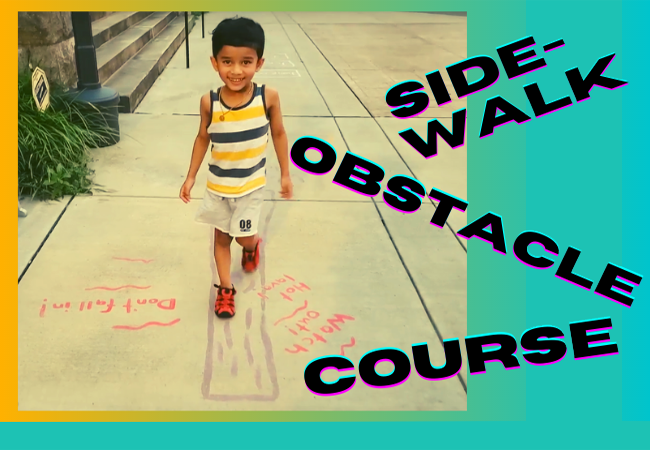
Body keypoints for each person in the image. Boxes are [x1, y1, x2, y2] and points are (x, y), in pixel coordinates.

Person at [179, 16, 293, 319]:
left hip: (250, 188)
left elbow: (279, 133)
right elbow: (203, 137)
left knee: (243, 237)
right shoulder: (210, 101)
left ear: (259, 62)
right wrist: (190, 177)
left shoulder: (267, 97)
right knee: (220, 238)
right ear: (215, 62)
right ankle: (225, 291)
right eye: (227, 61)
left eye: (246, 62)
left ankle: (251, 246)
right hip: (218, 187)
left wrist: (285, 173)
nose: (236, 70)